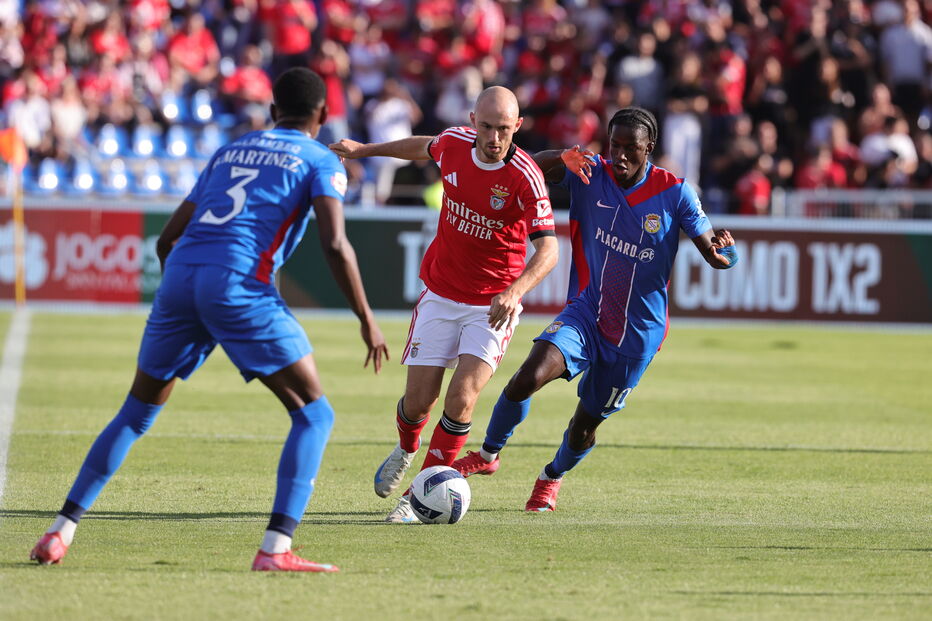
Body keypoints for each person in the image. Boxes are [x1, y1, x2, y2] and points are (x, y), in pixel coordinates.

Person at [29, 68, 388, 571]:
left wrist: (190, 298)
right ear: (324, 115)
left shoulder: (230, 150)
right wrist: (366, 318)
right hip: (239, 283)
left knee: (136, 412)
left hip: (181, 275)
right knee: (315, 415)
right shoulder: (320, 158)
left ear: (271, 112)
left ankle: (59, 531)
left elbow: (165, 239)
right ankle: (276, 549)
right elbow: (334, 244)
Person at [451, 107, 739, 511]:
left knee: (584, 426)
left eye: (630, 148)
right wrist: (559, 156)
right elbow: (526, 168)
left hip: (636, 335)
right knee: (526, 377)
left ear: (649, 149)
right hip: (587, 311)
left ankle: (551, 476)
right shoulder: (589, 172)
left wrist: (726, 253)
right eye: (614, 145)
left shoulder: (675, 192)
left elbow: (714, 251)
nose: (619, 156)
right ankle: (487, 455)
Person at [329, 86, 560, 523]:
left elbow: (549, 250)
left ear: (518, 126)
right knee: (418, 402)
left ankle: (418, 497)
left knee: (462, 398)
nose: (494, 138)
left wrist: (515, 292)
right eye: (486, 127)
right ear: (473, 121)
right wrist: (364, 150)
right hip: (440, 293)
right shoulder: (454, 143)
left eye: (504, 129)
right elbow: (422, 147)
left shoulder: (526, 176)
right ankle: (406, 447)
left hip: (491, 305)